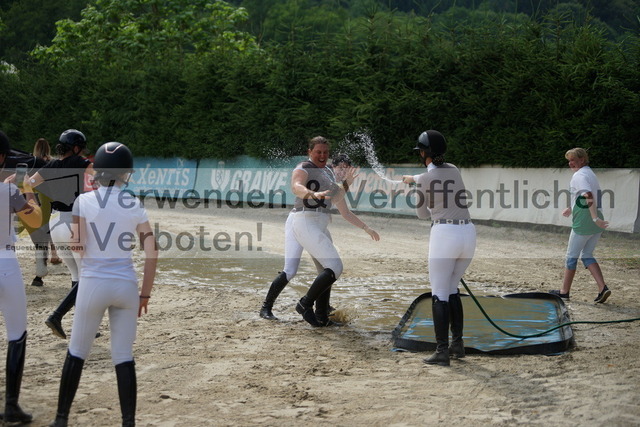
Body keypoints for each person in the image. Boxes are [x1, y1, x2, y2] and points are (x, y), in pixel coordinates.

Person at [49, 142, 157, 427]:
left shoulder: (83, 202)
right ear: (125, 174)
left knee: (77, 352)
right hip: (126, 286)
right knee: (123, 356)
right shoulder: (134, 204)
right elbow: (152, 251)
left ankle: (61, 419)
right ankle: (128, 422)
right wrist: (145, 294)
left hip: (94, 283)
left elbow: (77, 246)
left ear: (97, 170)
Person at [259, 137, 380, 326]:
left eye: (325, 152)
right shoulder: (304, 166)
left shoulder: (328, 174)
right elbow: (296, 186)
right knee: (296, 269)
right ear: (310, 152)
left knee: (324, 269)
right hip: (302, 220)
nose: (322, 155)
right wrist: (311, 193)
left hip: (314, 223)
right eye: (318, 152)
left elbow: (342, 207)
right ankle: (280, 307)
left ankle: (322, 314)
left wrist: (366, 227)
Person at [402, 130, 476, 367]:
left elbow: (422, 215)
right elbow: (434, 173)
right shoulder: (454, 169)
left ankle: (442, 351)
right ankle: (457, 344)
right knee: (452, 289)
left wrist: (414, 186)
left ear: (423, 153)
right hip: (468, 234)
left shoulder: (424, 180)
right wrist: (415, 179)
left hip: (445, 235)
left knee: (439, 293)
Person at [28, 129, 94, 338]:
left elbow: (29, 183)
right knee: (87, 277)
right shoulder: (79, 162)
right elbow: (101, 176)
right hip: (72, 222)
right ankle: (57, 316)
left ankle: (82, 326)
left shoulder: (51, 165)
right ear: (75, 148)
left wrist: (32, 202)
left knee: (76, 275)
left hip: (55, 224)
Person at [0, 130, 42, 424]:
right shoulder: (9, 192)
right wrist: (26, 190)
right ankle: (11, 405)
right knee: (17, 334)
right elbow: (36, 220)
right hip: (5, 264)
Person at [549, 148, 610, 303]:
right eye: (569, 161)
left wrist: (595, 219)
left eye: (573, 160)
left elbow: (588, 195)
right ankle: (602, 288)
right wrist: (571, 208)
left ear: (582, 160)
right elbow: (582, 196)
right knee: (587, 254)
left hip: (586, 219)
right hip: (596, 217)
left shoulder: (579, 175)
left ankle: (564, 292)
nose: (570, 163)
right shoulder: (589, 173)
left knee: (571, 257)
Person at [24, 138, 58, 287]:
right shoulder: (52, 163)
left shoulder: (29, 163)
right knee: (48, 230)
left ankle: (40, 269)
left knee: (38, 235)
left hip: (31, 200)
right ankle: (53, 255)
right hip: (49, 200)